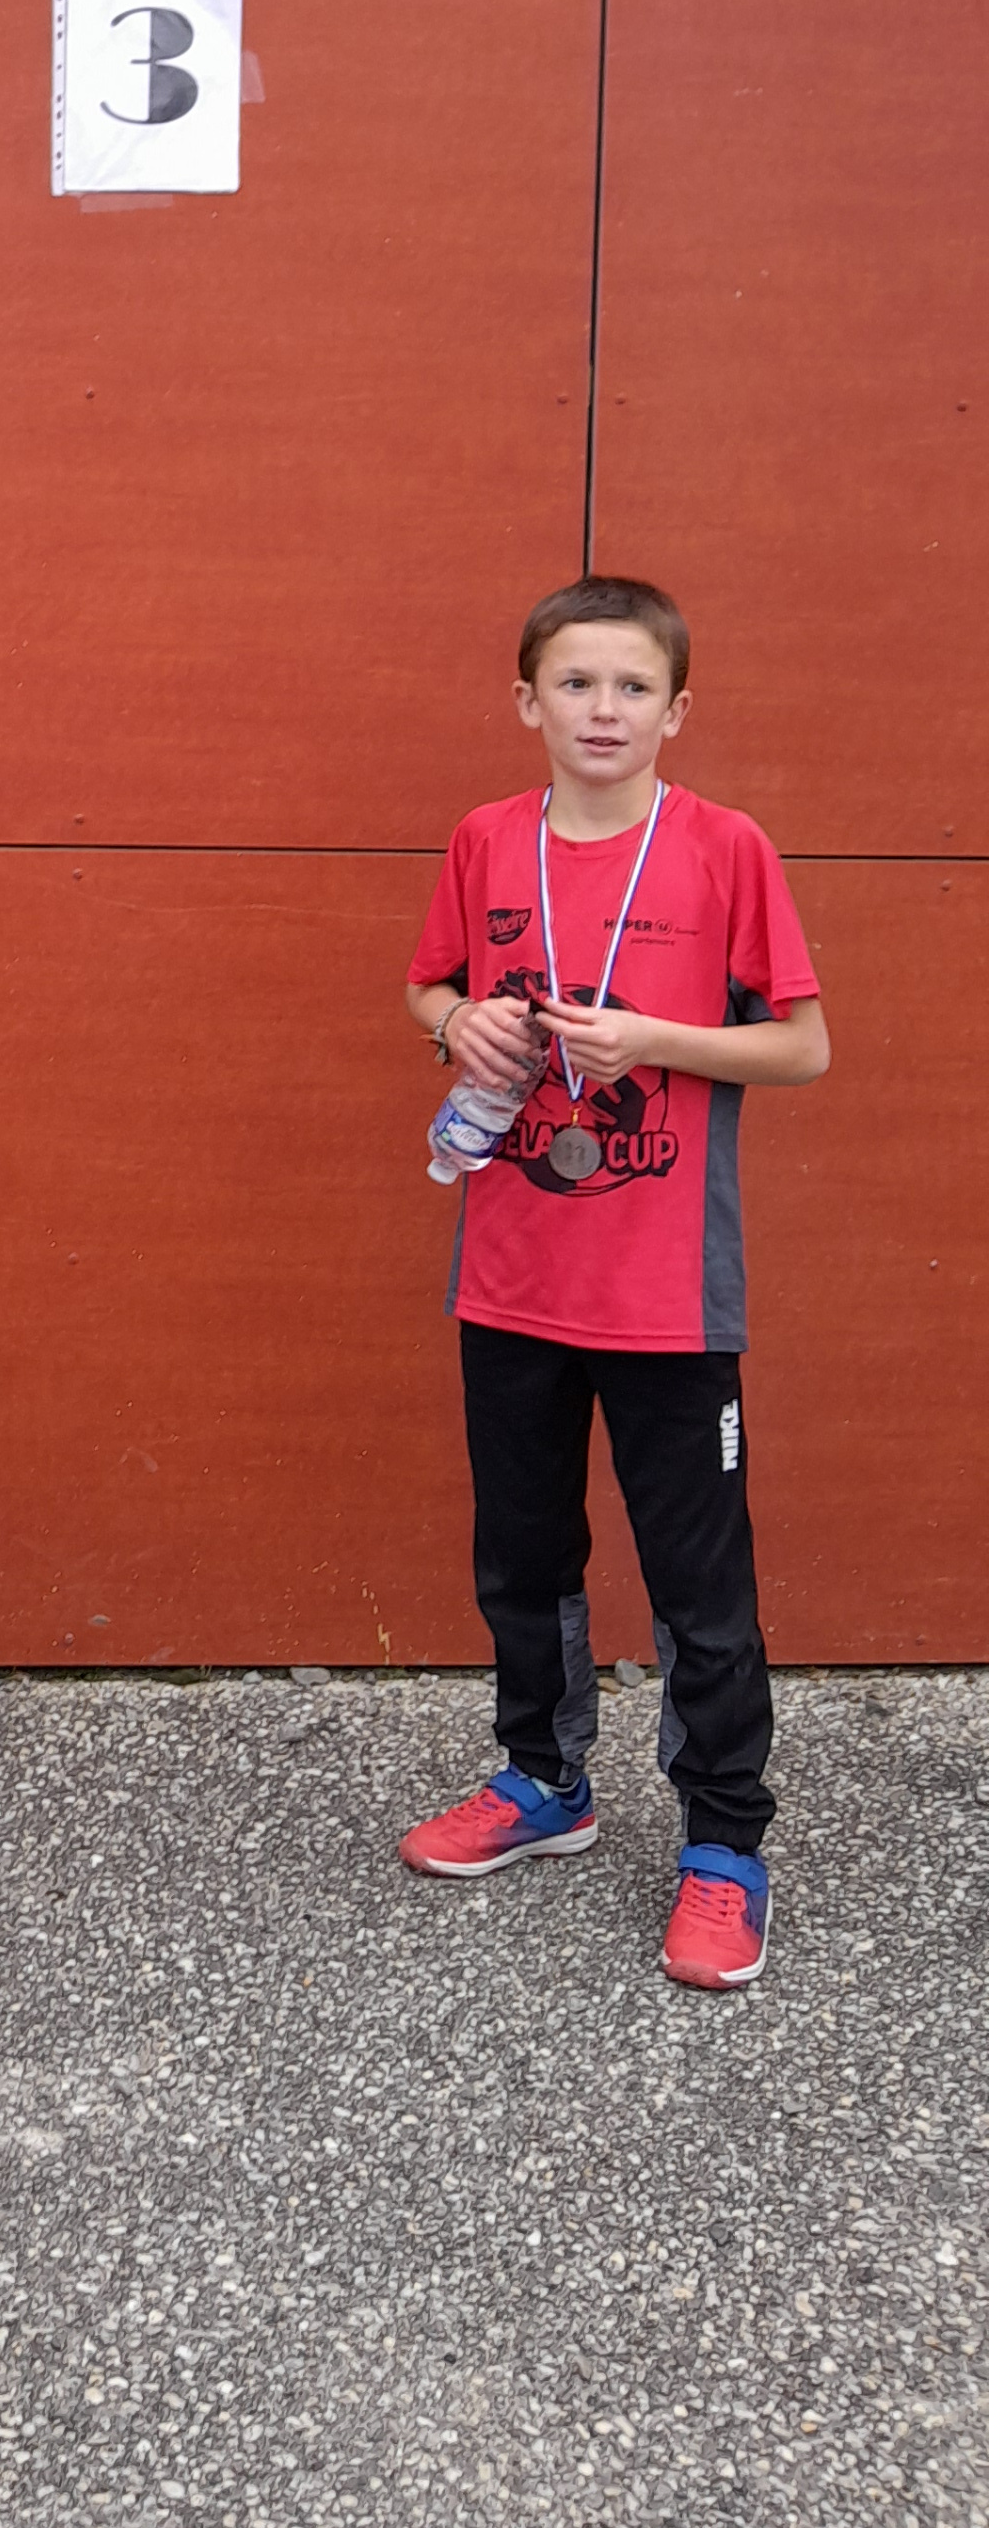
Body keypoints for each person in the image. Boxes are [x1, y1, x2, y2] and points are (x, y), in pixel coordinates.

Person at [398, 574, 827, 1989]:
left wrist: (652, 1039)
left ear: (675, 711)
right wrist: (458, 1023)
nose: (603, 709)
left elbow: (802, 1048)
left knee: (701, 1583)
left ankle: (725, 1843)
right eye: (576, 683)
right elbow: (428, 988)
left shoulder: (724, 848)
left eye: (633, 686)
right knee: (523, 1559)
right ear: (527, 700)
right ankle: (545, 1779)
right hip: (511, 1279)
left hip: (668, 1298)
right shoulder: (485, 839)